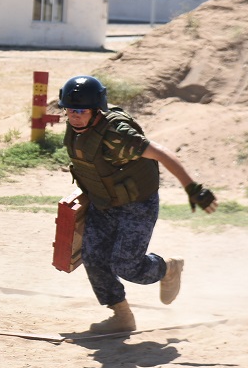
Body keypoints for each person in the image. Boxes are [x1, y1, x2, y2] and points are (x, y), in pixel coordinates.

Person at [58, 75, 218, 333]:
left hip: (137, 206)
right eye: (69, 110)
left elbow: (162, 153)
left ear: (96, 110)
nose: (74, 116)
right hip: (104, 204)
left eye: (80, 111)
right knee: (94, 258)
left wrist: (192, 186)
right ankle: (122, 316)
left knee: (127, 265)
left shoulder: (117, 135)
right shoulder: (77, 131)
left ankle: (167, 268)